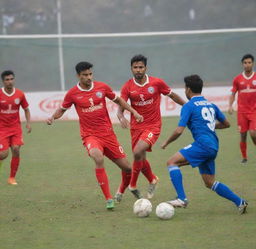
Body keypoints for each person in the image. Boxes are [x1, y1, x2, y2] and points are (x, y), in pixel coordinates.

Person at [47, 61, 143, 210]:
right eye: (85, 75)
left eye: (90, 74)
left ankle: (120, 191)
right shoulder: (72, 93)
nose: (89, 77)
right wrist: (52, 117)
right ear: (78, 76)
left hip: (108, 135)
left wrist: (134, 112)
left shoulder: (102, 87)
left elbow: (119, 100)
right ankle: (108, 199)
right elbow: (62, 109)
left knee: (127, 169)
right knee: (98, 157)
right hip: (90, 135)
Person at [161, 74, 248, 214]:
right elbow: (226, 124)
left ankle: (182, 198)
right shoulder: (211, 105)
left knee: (172, 162)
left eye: (185, 88)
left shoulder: (188, 106)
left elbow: (179, 131)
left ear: (188, 89)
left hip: (202, 145)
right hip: (213, 146)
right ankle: (240, 202)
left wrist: (166, 142)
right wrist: (211, 126)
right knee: (209, 182)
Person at [117, 54, 185, 200]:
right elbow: (121, 105)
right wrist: (121, 116)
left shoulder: (156, 83)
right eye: (135, 67)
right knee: (140, 156)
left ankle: (133, 185)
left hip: (153, 126)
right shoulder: (128, 86)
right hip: (136, 127)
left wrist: (187, 105)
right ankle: (153, 179)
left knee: (137, 151)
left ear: (146, 68)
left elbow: (172, 96)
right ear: (131, 69)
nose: (138, 70)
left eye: (141, 67)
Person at [0, 70, 32, 185]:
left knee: (16, 150)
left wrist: (28, 123)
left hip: (15, 128)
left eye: (11, 79)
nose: (10, 82)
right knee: (3, 154)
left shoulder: (20, 94)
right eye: (7, 80)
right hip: (2, 129)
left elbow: (26, 109)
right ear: (3, 81)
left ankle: (12, 178)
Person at [228, 54, 256, 163]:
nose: (247, 65)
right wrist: (230, 106)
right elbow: (233, 93)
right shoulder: (237, 79)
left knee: (253, 133)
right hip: (242, 112)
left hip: (254, 111)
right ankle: (244, 158)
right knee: (243, 135)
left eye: (249, 62)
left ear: (252, 63)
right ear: (242, 64)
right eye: (245, 63)